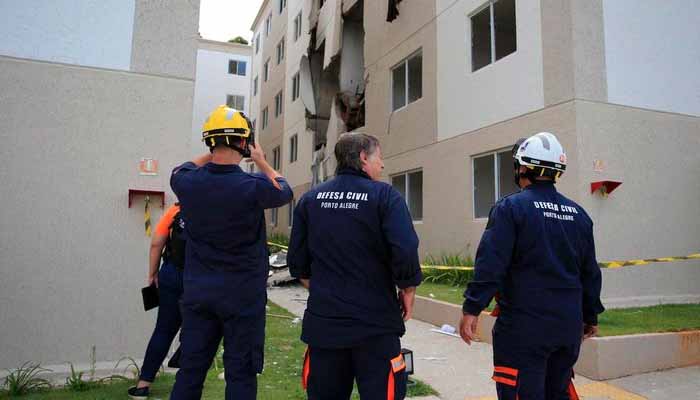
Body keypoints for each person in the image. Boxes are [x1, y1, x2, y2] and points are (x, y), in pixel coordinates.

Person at [459, 132, 605, 400]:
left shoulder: (511, 208)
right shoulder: (579, 214)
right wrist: (590, 315)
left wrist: (472, 308)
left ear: (523, 167)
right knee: (557, 393)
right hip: (567, 328)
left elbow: (491, 264)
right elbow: (589, 273)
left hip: (524, 329)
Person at [168, 105, 293, 400]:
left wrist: (214, 149)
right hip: (242, 297)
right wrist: (260, 160)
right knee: (240, 374)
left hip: (199, 294)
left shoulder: (187, 182)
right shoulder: (252, 186)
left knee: (190, 372)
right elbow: (285, 189)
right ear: (244, 143)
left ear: (209, 142)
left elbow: (180, 168)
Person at [288, 132, 422, 400]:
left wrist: (329, 291)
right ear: (363, 157)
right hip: (375, 327)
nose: (382, 165)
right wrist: (407, 288)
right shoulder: (385, 197)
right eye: (379, 158)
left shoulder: (310, 200)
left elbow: (298, 264)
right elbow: (405, 248)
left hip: (325, 327)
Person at [128, 203, 186, 399]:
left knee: (163, 329)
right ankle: (186, 383)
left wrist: (152, 274)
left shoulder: (176, 210)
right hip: (200, 278)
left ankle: (143, 385)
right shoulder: (213, 209)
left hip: (171, 274)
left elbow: (156, 243)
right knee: (199, 329)